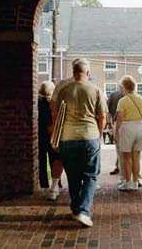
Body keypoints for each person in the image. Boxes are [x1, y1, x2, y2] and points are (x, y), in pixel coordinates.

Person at [56, 59, 107, 227]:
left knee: (73, 175)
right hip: (89, 135)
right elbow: (102, 116)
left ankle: (75, 208)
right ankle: (84, 211)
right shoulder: (96, 90)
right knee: (90, 175)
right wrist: (98, 135)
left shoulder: (64, 90)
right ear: (88, 73)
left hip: (67, 137)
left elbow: (56, 114)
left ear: (73, 73)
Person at [48, 58, 87, 200]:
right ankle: (78, 191)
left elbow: (53, 106)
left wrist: (54, 124)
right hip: (83, 130)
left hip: (64, 127)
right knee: (81, 160)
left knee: (60, 158)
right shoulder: (89, 86)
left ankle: (53, 188)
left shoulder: (62, 85)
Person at [114, 75, 142, 191]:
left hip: (127, 127)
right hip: (140, 127)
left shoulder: (123, 101)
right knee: (136, 157)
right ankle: (136, 182)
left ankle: (128, 182)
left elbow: (120, 118)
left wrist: (116, 133)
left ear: (124, 87)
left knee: (126, 157)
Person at [38, 81, 56, 189]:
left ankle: (43, 183)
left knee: (42, 160)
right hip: (51, 134)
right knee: (54, 159)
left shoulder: (37, 103)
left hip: (40, 134)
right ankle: (56, 183)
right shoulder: (52, 104)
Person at [106, 86, 125, 177]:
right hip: (128, 123)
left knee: (118, 147)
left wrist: (108, 123)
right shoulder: (129, 95)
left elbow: (108, 111)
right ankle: (120, 167)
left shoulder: (112, 95)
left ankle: (121, 168)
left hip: (116, 122)